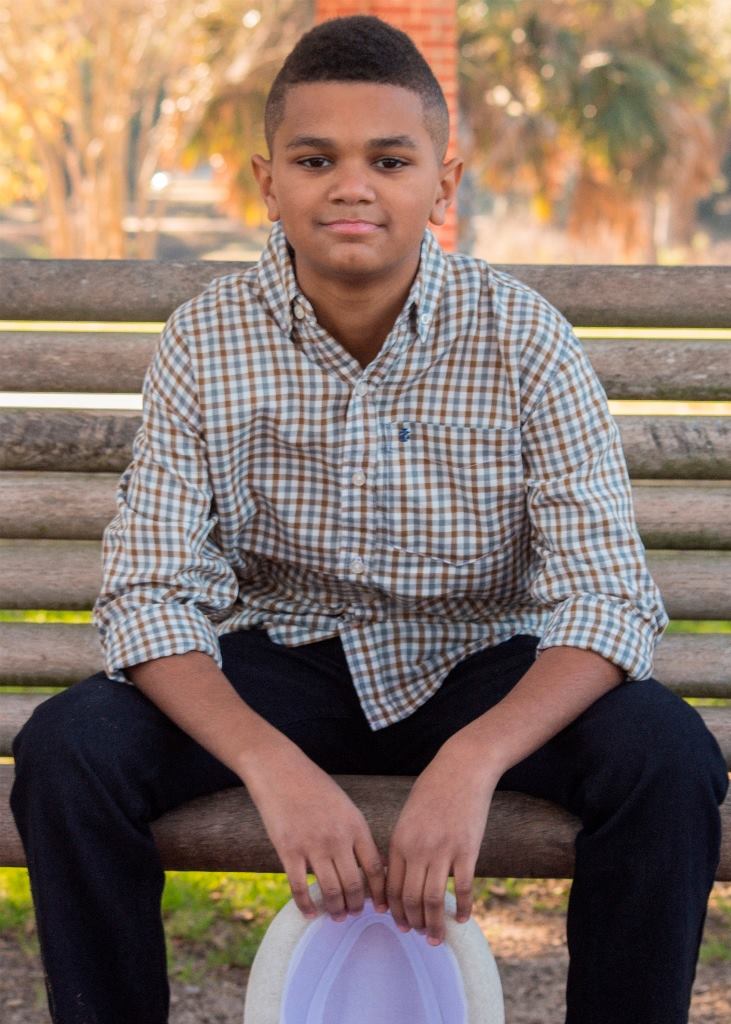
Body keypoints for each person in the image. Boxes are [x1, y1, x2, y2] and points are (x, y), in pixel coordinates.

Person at [10, 14, 728, 1024]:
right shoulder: (204, 342)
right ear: (269, 180)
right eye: (316, 158)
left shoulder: (525, 340)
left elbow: (607, 596)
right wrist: (271, 764)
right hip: (284, 662)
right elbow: (147, 594)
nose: (352, 185)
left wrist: (469, 759)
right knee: (68, 748)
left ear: (442, 181)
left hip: (481, 662)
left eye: (389, 159)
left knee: (665, 755)